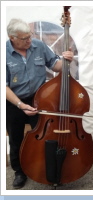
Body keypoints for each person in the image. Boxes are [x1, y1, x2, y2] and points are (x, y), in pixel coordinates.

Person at [6, 18, 74, 189]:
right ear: (12, 37)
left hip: (39, 99)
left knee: (45, 137)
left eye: (30, 36)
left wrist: (66, 60)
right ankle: (20, 172)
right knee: (16, 139)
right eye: (24, 38)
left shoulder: (38, 46)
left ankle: (45, 169)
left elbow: (55, 66)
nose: (29, 40)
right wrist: (21, 105)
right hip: (14, 101)